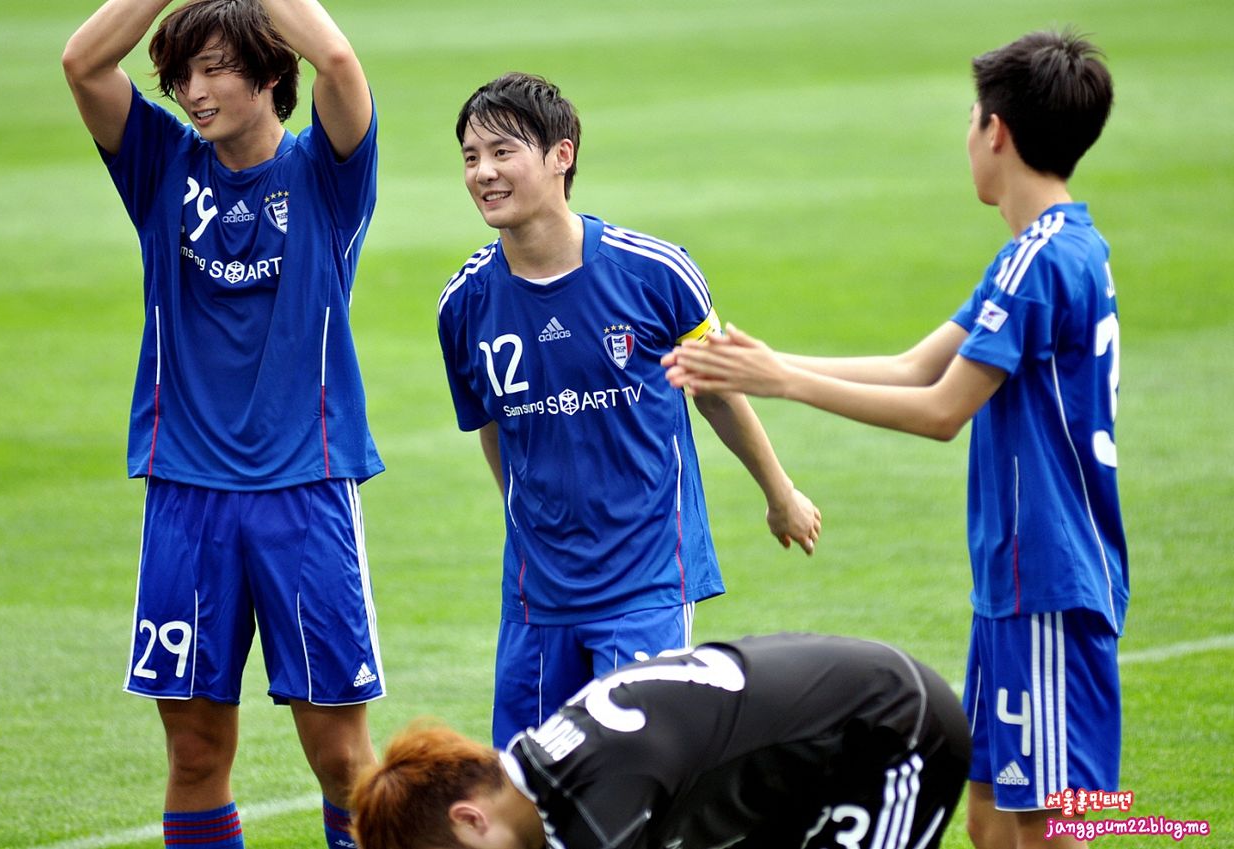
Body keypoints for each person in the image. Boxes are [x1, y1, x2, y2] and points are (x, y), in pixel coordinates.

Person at [664, 29, 1126, 849]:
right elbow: (915, 364)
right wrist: (764, 364)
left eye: (971, 120)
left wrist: (784, 384)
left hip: (1049, 577)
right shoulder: (1048, 250)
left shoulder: (1041, 262)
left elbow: (942, 409)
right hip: (1017, 581)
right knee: (989, 820)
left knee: (1051, 826)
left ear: (995, 131)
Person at [62, 1, 383, 846]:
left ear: (271, 73)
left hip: (305, 489)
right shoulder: (161, 162)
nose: (193, 92)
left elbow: (339, 64)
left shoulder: (326, 172)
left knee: (341, 756)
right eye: (182, 75)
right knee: (195, 749)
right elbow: (83, 63)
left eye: (214, 69)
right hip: (186, 494)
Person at [436, 72, 823, 748]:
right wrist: (529, 523)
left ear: (561, 156)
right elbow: (493, 426)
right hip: (536, 592)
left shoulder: (655, 272)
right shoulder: (464, 304)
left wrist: (779, 493)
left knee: (635, 769)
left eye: (502, 152)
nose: (483, 172)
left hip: (644, 580)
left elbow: (715, 390)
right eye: (471, 157)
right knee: (525, 779)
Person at [351, 632, 971, 849]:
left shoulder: (598, 798)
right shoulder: (547, 768)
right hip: (811, 762)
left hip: (894, 731)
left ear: (470, 819)